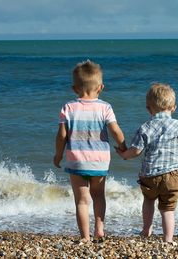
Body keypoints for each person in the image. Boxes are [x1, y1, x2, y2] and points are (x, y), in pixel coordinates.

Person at [116, 83, 178, 242]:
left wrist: (124, 154)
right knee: (168, 210)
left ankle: (146, 230)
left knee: (148, 200)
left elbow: (135, 151)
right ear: (174, 107)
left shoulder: (145, 127)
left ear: (148, 109)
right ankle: (168, 240)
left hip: (150, 176)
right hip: (172, 176)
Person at [54, 60, 126, 241]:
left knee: (82, 200)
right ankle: (99, 229)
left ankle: (85, 237)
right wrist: (124, 147)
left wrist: (58, 155)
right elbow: (115, 131)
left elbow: (62, 135)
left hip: (76, 159)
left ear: (74, 88)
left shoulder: (68, 107)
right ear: (101, 87)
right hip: (99, 160)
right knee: (99, 196)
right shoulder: (105, 107)